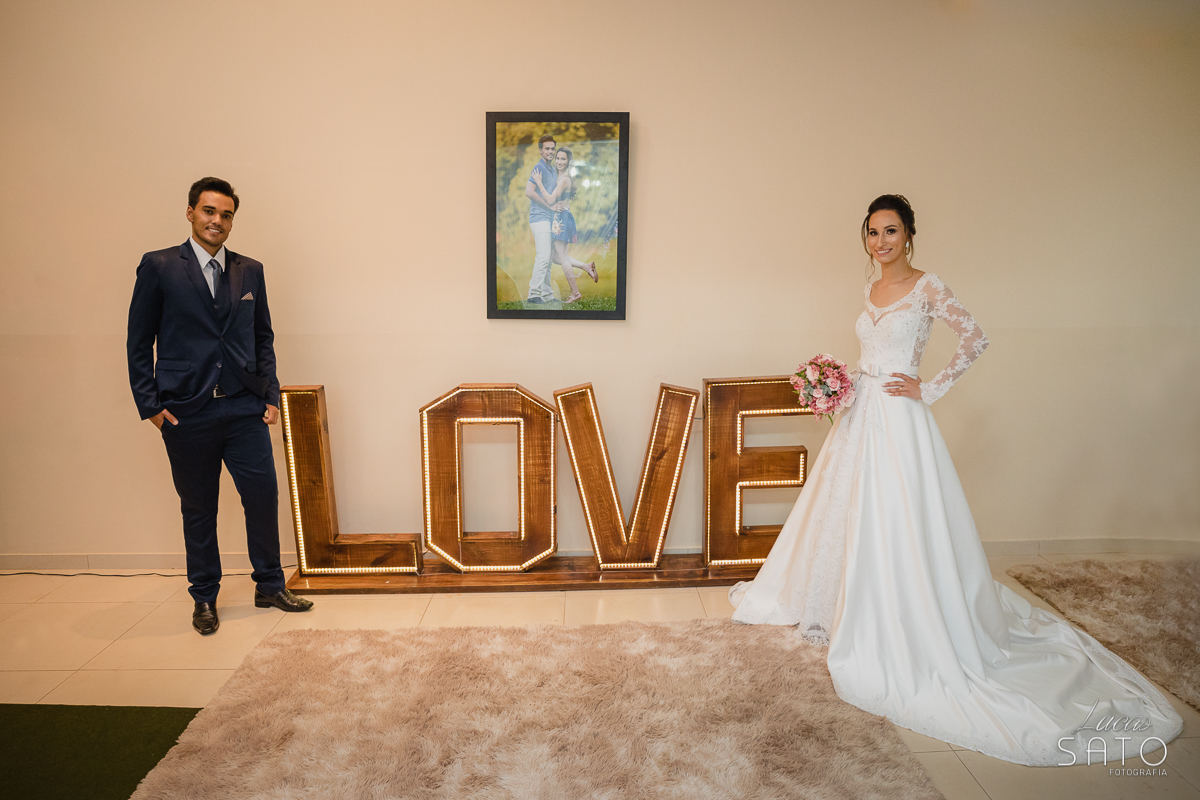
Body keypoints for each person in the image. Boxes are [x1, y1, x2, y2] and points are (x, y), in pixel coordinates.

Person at [729, 194, 1181, 766]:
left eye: (891, 231)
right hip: (861, 414)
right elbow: (871, 350)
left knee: (898, 511)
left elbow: (975, 338)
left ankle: (902, 611)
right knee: (847, 507)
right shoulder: (869, 289)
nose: (880, 242)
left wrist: (928, 387)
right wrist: (842, 383)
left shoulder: (928, 286)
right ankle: (846, 602)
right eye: (872, 232)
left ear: (909, 235)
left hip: (900, 418)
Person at [127, 177, 314, 636]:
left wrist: (269, 394)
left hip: (244, 407)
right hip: (187, 411)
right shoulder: (160, 266)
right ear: (190, 212)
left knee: (263, 497)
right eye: (209, 211)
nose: (217, 221)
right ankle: (204, 597)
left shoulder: (250, 270)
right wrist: (150, 405)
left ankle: (270, 585)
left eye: (226, 214)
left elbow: (263, 336)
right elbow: (139, 340)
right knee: (199, 509)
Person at [530, 146, 598, 304]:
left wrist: (539, 183)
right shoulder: (559, 177)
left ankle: (575, 293)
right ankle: (587, 267)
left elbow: (550, 199)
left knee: (562, 256)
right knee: (554, 257)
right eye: (558, 158)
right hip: (559, 218)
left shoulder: (564, 179)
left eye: (563, 159)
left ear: (568, 161)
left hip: (562, 218)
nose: (559, 161)